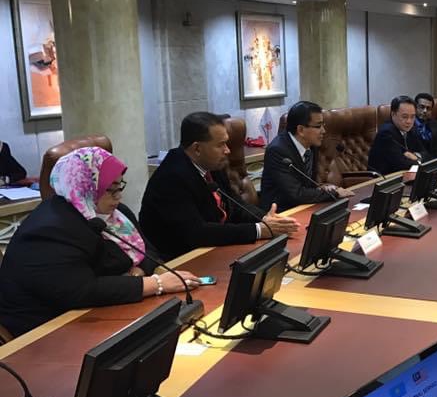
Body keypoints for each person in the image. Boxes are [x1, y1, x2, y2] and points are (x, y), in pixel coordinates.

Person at [0, 147, 199, 337]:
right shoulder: (50, 229)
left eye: (120, 186)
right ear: (85, 187)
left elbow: (148, 251)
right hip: (48, 329)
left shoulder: (116, 214)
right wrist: (155, 283)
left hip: (100, 311)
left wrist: (138, 272)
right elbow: (81, 290)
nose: (119, 196)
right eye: (110, 190)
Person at [140, 112, 299, 260]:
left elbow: (235, 204)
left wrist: (264, 218)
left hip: (213, 249)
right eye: (221, 145)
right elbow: (197, 233)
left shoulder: (212, 165)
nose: (227, 150)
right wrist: (258, 230)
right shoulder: (171, 177)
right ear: (197, 148)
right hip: (178, 260)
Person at [259, 101, 352, 212]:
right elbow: (296, 193)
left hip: (305, 206)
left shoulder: (311, 144)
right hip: (281, 213)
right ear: (301, 130)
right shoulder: (277, 151)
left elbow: (307, 184)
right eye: (318, 126)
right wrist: (334, 193)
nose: (323, 131)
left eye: (323, 125)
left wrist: (321, 187)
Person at [368, 95, 427, 175]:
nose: (409, 121)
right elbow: (401, 164)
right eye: (405, 117)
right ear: (393, 114)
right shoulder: (386, 133)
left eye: (412, 117)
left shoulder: (411, 129)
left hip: (405, 175)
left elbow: (425, 153)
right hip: (384, 179)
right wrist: (419, 160)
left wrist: (416, 156)